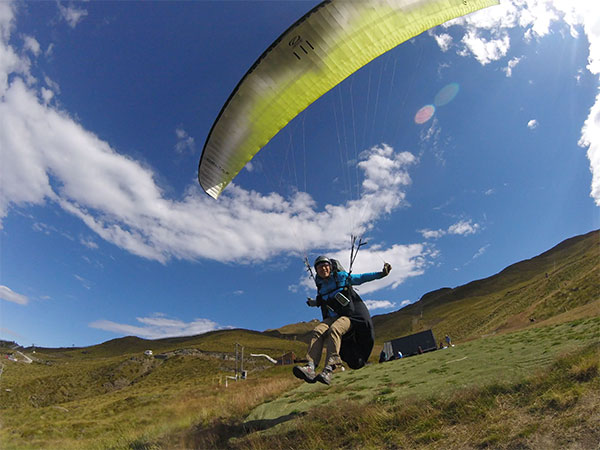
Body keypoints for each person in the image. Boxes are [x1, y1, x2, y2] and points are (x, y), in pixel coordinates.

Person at [293, 256, 391, 385]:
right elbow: (323, 301)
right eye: (319, 267)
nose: (323, 269)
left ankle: (330, 368)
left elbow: (362, 278)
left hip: (349, 316)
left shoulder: (341, 277)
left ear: (331, 266)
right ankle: (310, 367)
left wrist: (381, 274)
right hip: (332, 317)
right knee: (318, 331)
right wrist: (313, 303)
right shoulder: (321, 286)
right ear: (316, 271)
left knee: (335, 329)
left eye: (325, 266)